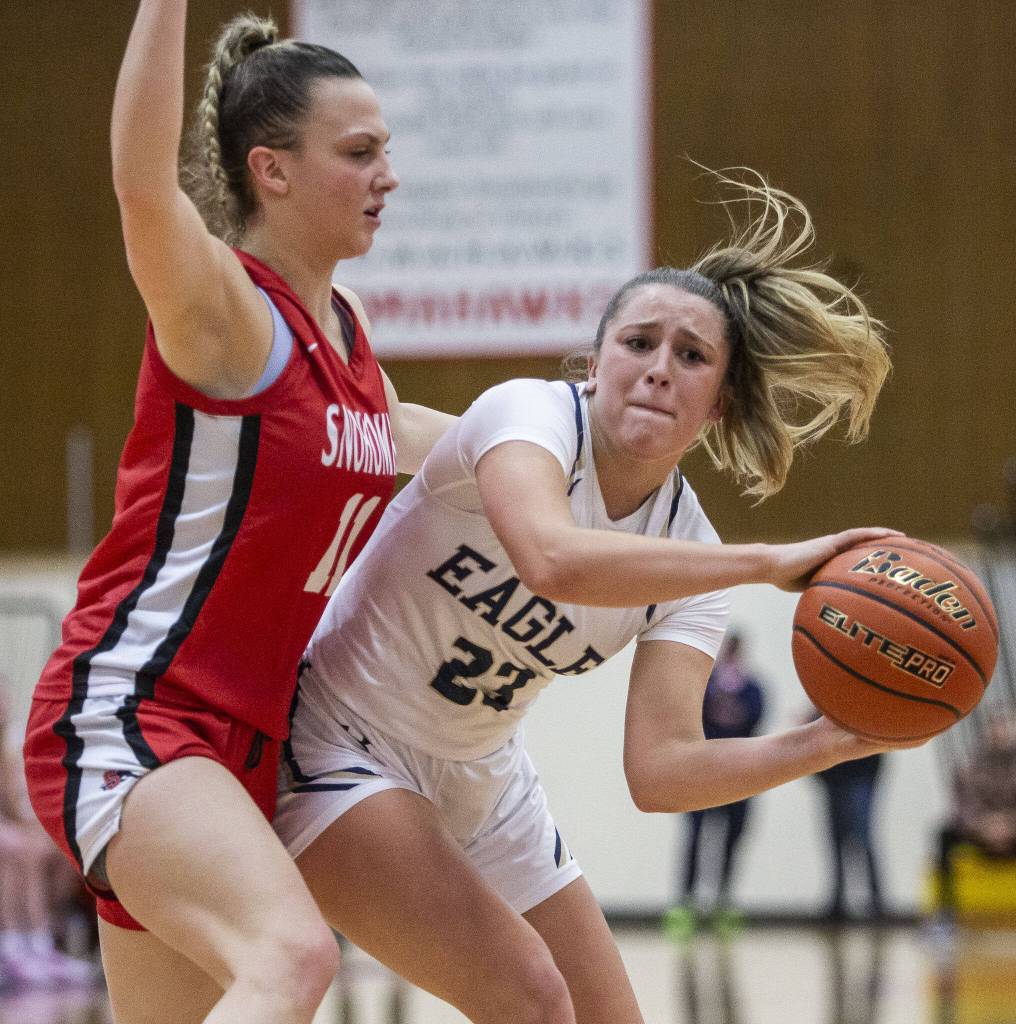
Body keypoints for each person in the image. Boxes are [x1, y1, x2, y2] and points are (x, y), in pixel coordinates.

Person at [275, 170, 918, 1024]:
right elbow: (553, 561)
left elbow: (662, 772)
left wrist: (831, 741)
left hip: (483, 776)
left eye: (691, 357)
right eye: (639, 343)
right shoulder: (528, 418)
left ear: (718, 401)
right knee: (533, 997)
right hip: (336, 735)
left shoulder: (695, 558)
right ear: (593, 362)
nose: (659, 369)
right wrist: (768, 563)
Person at [22, 4, 452, 1023]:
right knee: (293, 953)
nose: (385, 175)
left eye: (385, 150)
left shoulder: (345, 336)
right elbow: (140, 184)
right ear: (272, 170)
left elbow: (437, 443)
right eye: (358, 153)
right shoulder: (221, 308)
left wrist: (581, 441)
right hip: (136, 710)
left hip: (240, 748)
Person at [665, 631, 766, 938]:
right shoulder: (704, 685)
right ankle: (686, 903)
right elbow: (690, 718)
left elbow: (756, 720)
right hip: (702, 775)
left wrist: (735, 710)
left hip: (740, 779)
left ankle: (723, 901)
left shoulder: (753, 688)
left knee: (731, 841)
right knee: (695, 838)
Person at [0, 681, 95, 991]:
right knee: (15, 848)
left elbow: (15, 807)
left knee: (52, 848)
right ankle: (16, 945)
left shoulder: (7, 751)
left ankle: (44, 946)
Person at [932, 709, 1016, 931]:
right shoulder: (967, 766)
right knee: (943, 835)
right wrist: (984, 826)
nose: (1000, 731)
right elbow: (961, 809)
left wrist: (1009, 824)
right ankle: (945, 914)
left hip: (1011, 834)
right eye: (994, 726)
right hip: (980, 834)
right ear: (985, 732)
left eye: (1004, 725)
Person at [814, 741, 885, 923]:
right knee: (836, 841)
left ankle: (876, 902)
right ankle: (838, 903)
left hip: (860, 776)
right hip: (834, 778)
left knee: (864, 838)